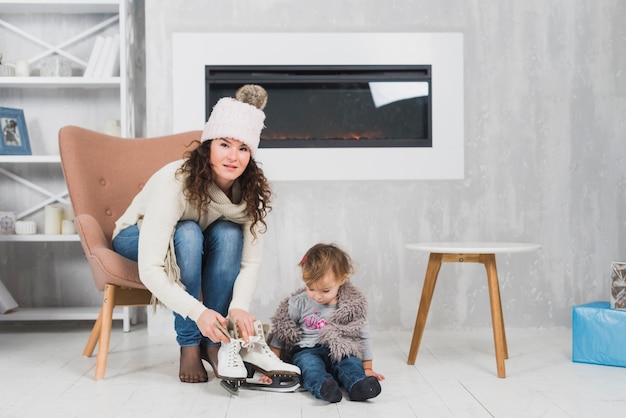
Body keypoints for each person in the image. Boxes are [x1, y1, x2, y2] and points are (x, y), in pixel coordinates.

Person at [112, 84, 297, 384]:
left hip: (195, 238)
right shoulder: (177, 180)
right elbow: (150, 269)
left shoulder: (250, 193)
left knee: (228, 233)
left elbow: (250, 263)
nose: (233, 157)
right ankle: (188, 344)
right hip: (136, 234)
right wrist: (198, 313)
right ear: (208, 145)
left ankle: (215, 343)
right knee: (187, 233)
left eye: (243, 148)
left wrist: (239, 308)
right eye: (224, 144)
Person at [269, 243, 385, 403]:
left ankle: (359, 385)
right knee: (310, 367)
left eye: (325, 291)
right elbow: (282, 331)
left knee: (350, 362)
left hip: (340, 348)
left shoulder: (351, 306)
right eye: (311, 288)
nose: (317, 296)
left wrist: (368, 368)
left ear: (342, 279)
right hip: (307, 350)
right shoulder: (298, 303)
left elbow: (363, 336)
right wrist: (272, 367)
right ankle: (324, 387)